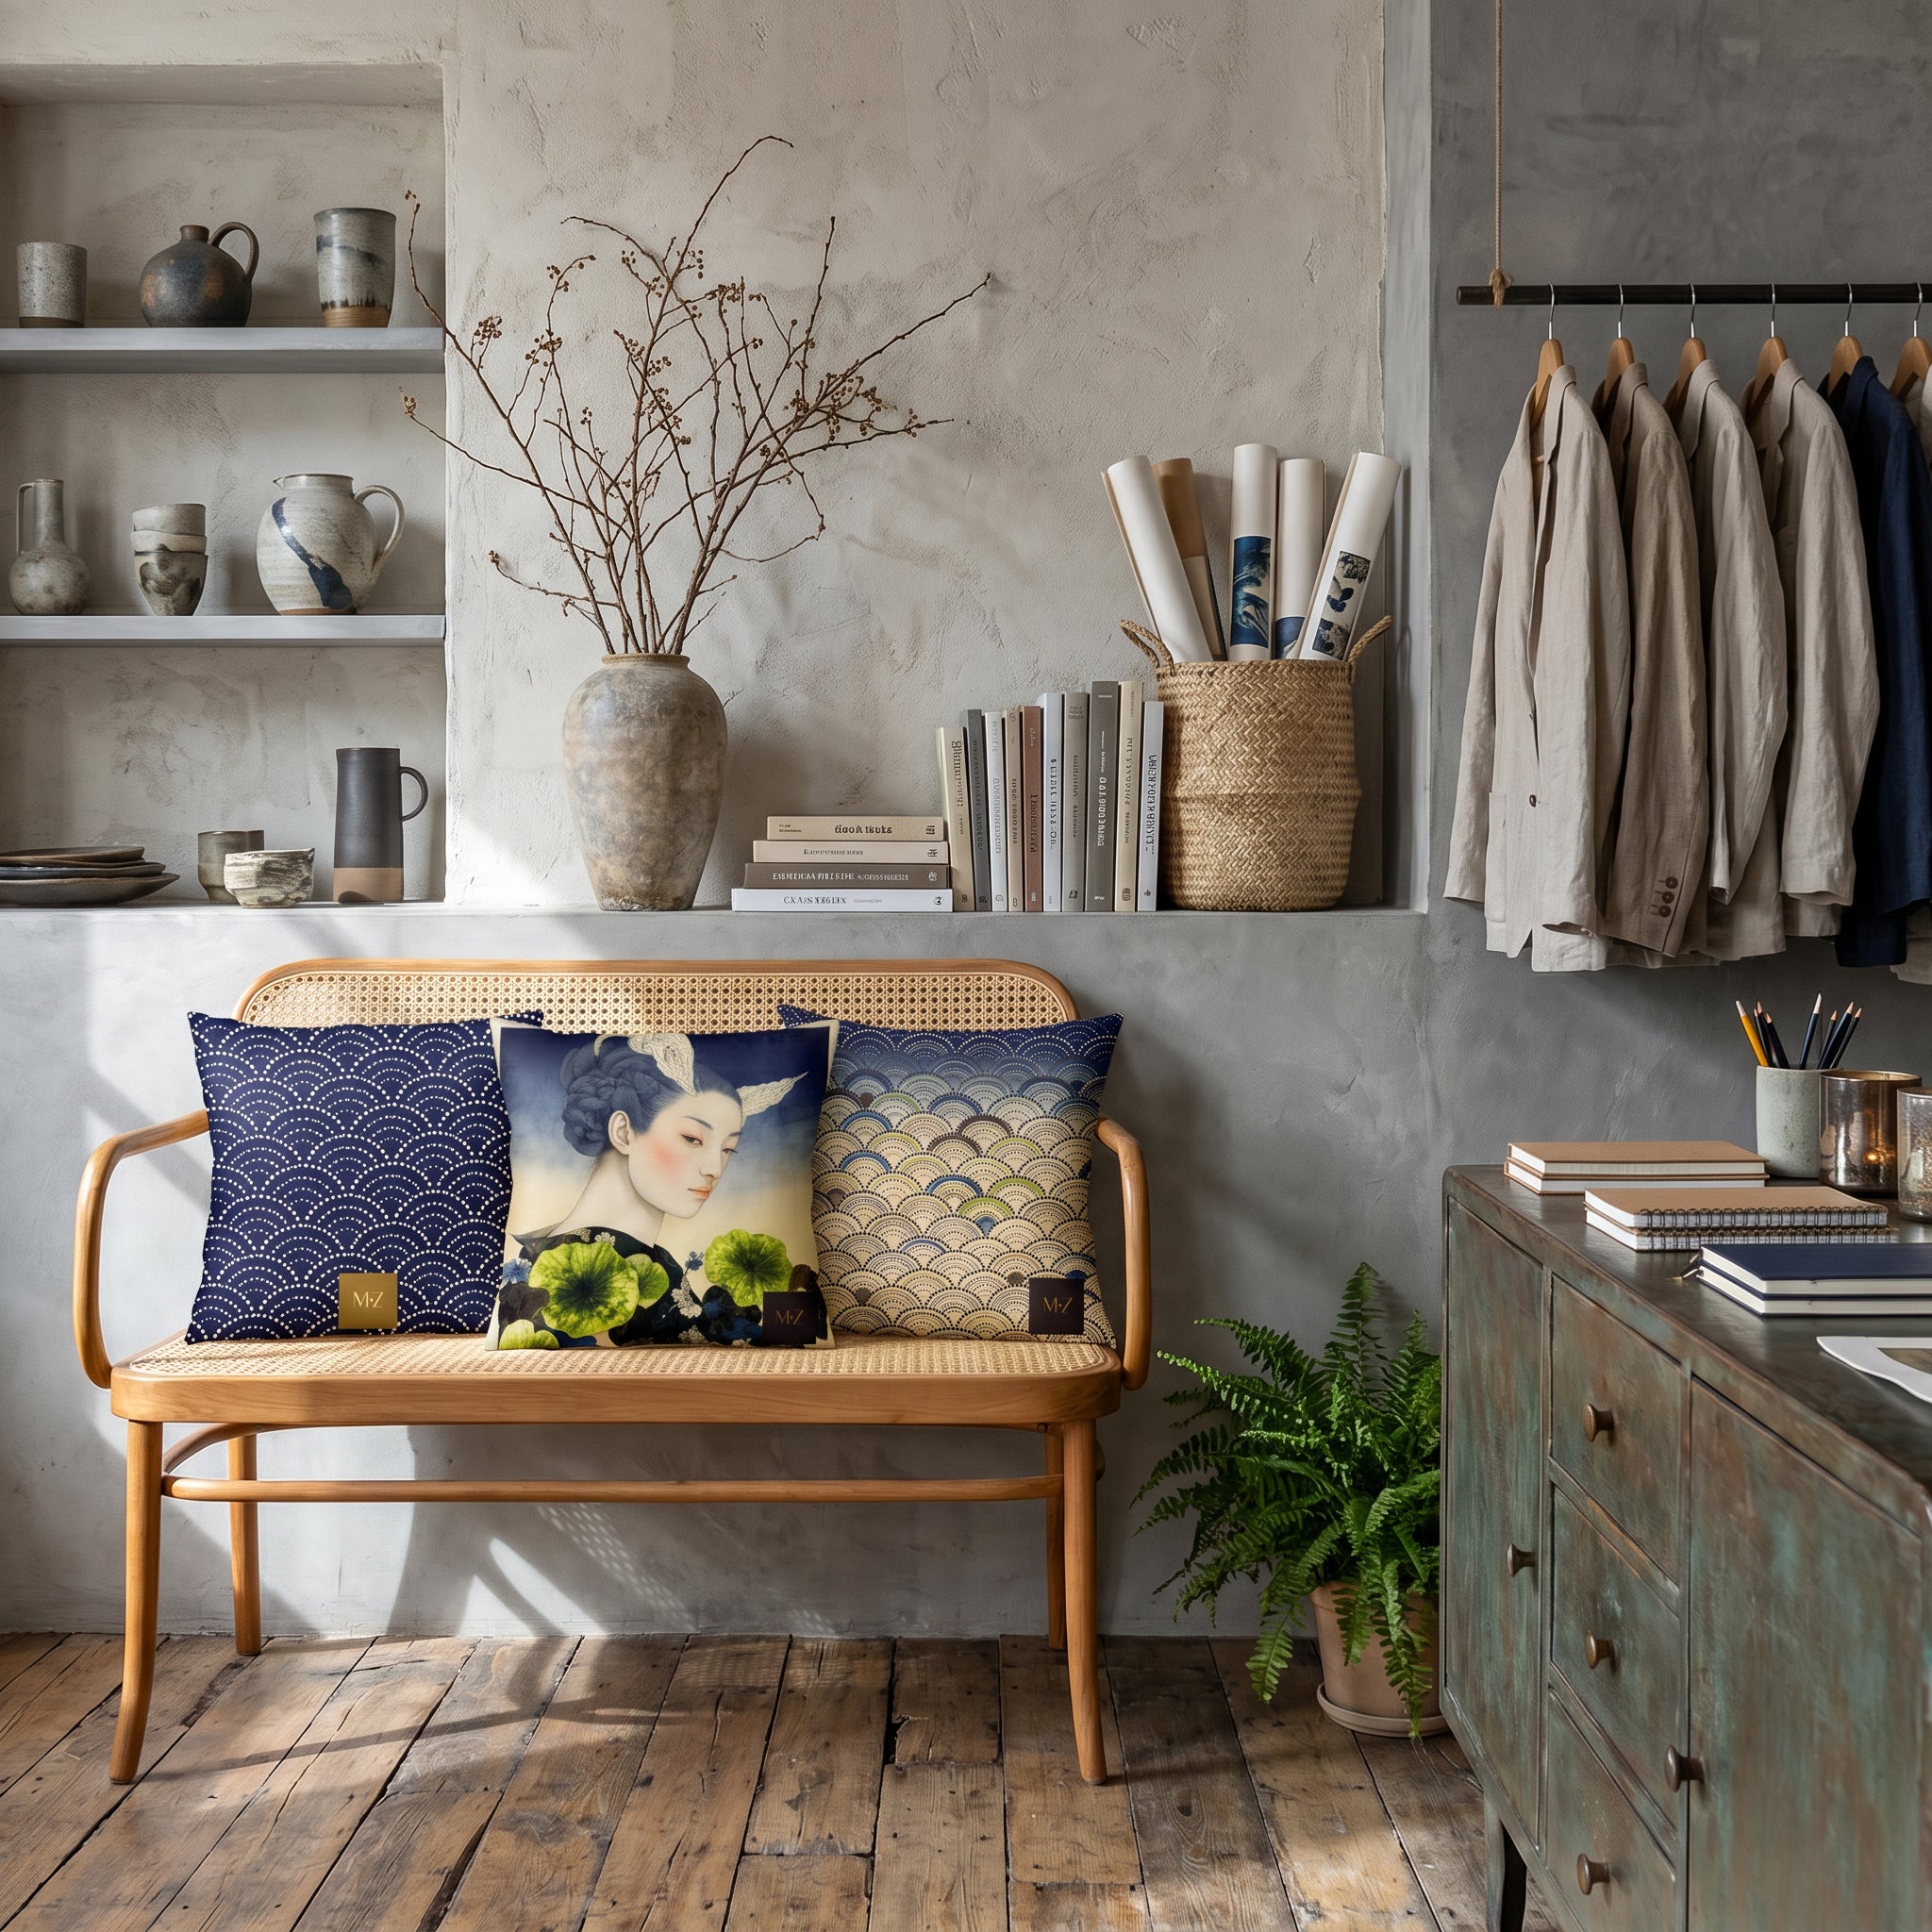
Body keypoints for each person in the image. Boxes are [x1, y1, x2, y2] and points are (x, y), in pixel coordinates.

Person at [495, 1033, 808, 1347]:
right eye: (692, 1139)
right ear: (624, 1132)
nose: (714, 1168)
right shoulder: (571, 1274)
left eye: (728, 1149)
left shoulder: (654, 1261)